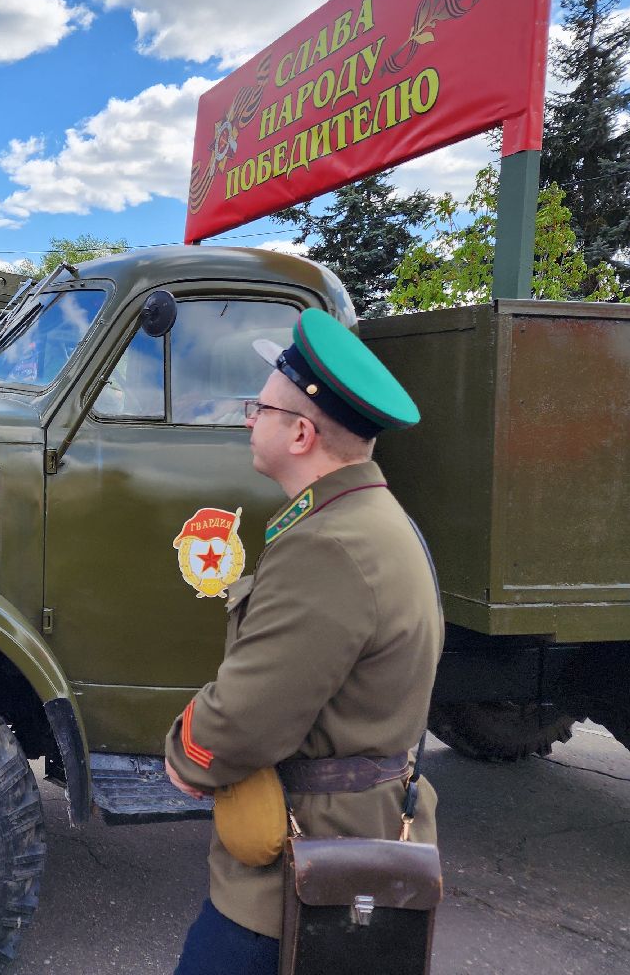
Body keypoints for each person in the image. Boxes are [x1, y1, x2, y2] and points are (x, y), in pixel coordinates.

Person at [164, 309, 443, 974]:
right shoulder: (363, 519)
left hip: (303, 870)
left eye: (257, 408)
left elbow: (246, 718)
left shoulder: (330, 545)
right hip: (345, 844)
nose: (245, 419)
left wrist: (186, 753)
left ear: (299, 431)